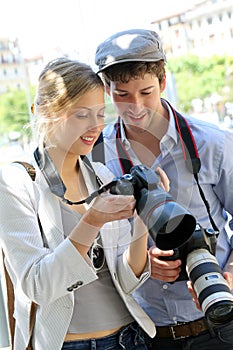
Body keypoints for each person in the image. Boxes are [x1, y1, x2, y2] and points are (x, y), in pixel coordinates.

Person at [0, 57, 159, 350]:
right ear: (45, 112)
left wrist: (143, 217)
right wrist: (92, 220)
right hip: (70, 344)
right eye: (82, 114)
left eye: (100, 114)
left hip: (130, 338)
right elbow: (37, 285)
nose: (96, 126)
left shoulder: (101, 176)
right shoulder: (15, 182)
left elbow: (127, 278)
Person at [92, 28, 233, 349]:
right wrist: (138, 263)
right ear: (106, 89)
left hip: (219, 319)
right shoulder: (97, 153)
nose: (136, 106)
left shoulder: (214, 143)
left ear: (163, 82)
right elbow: (99, 241)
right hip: (143, 331)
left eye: (146, 92)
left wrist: (231, 272)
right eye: (122, 95)